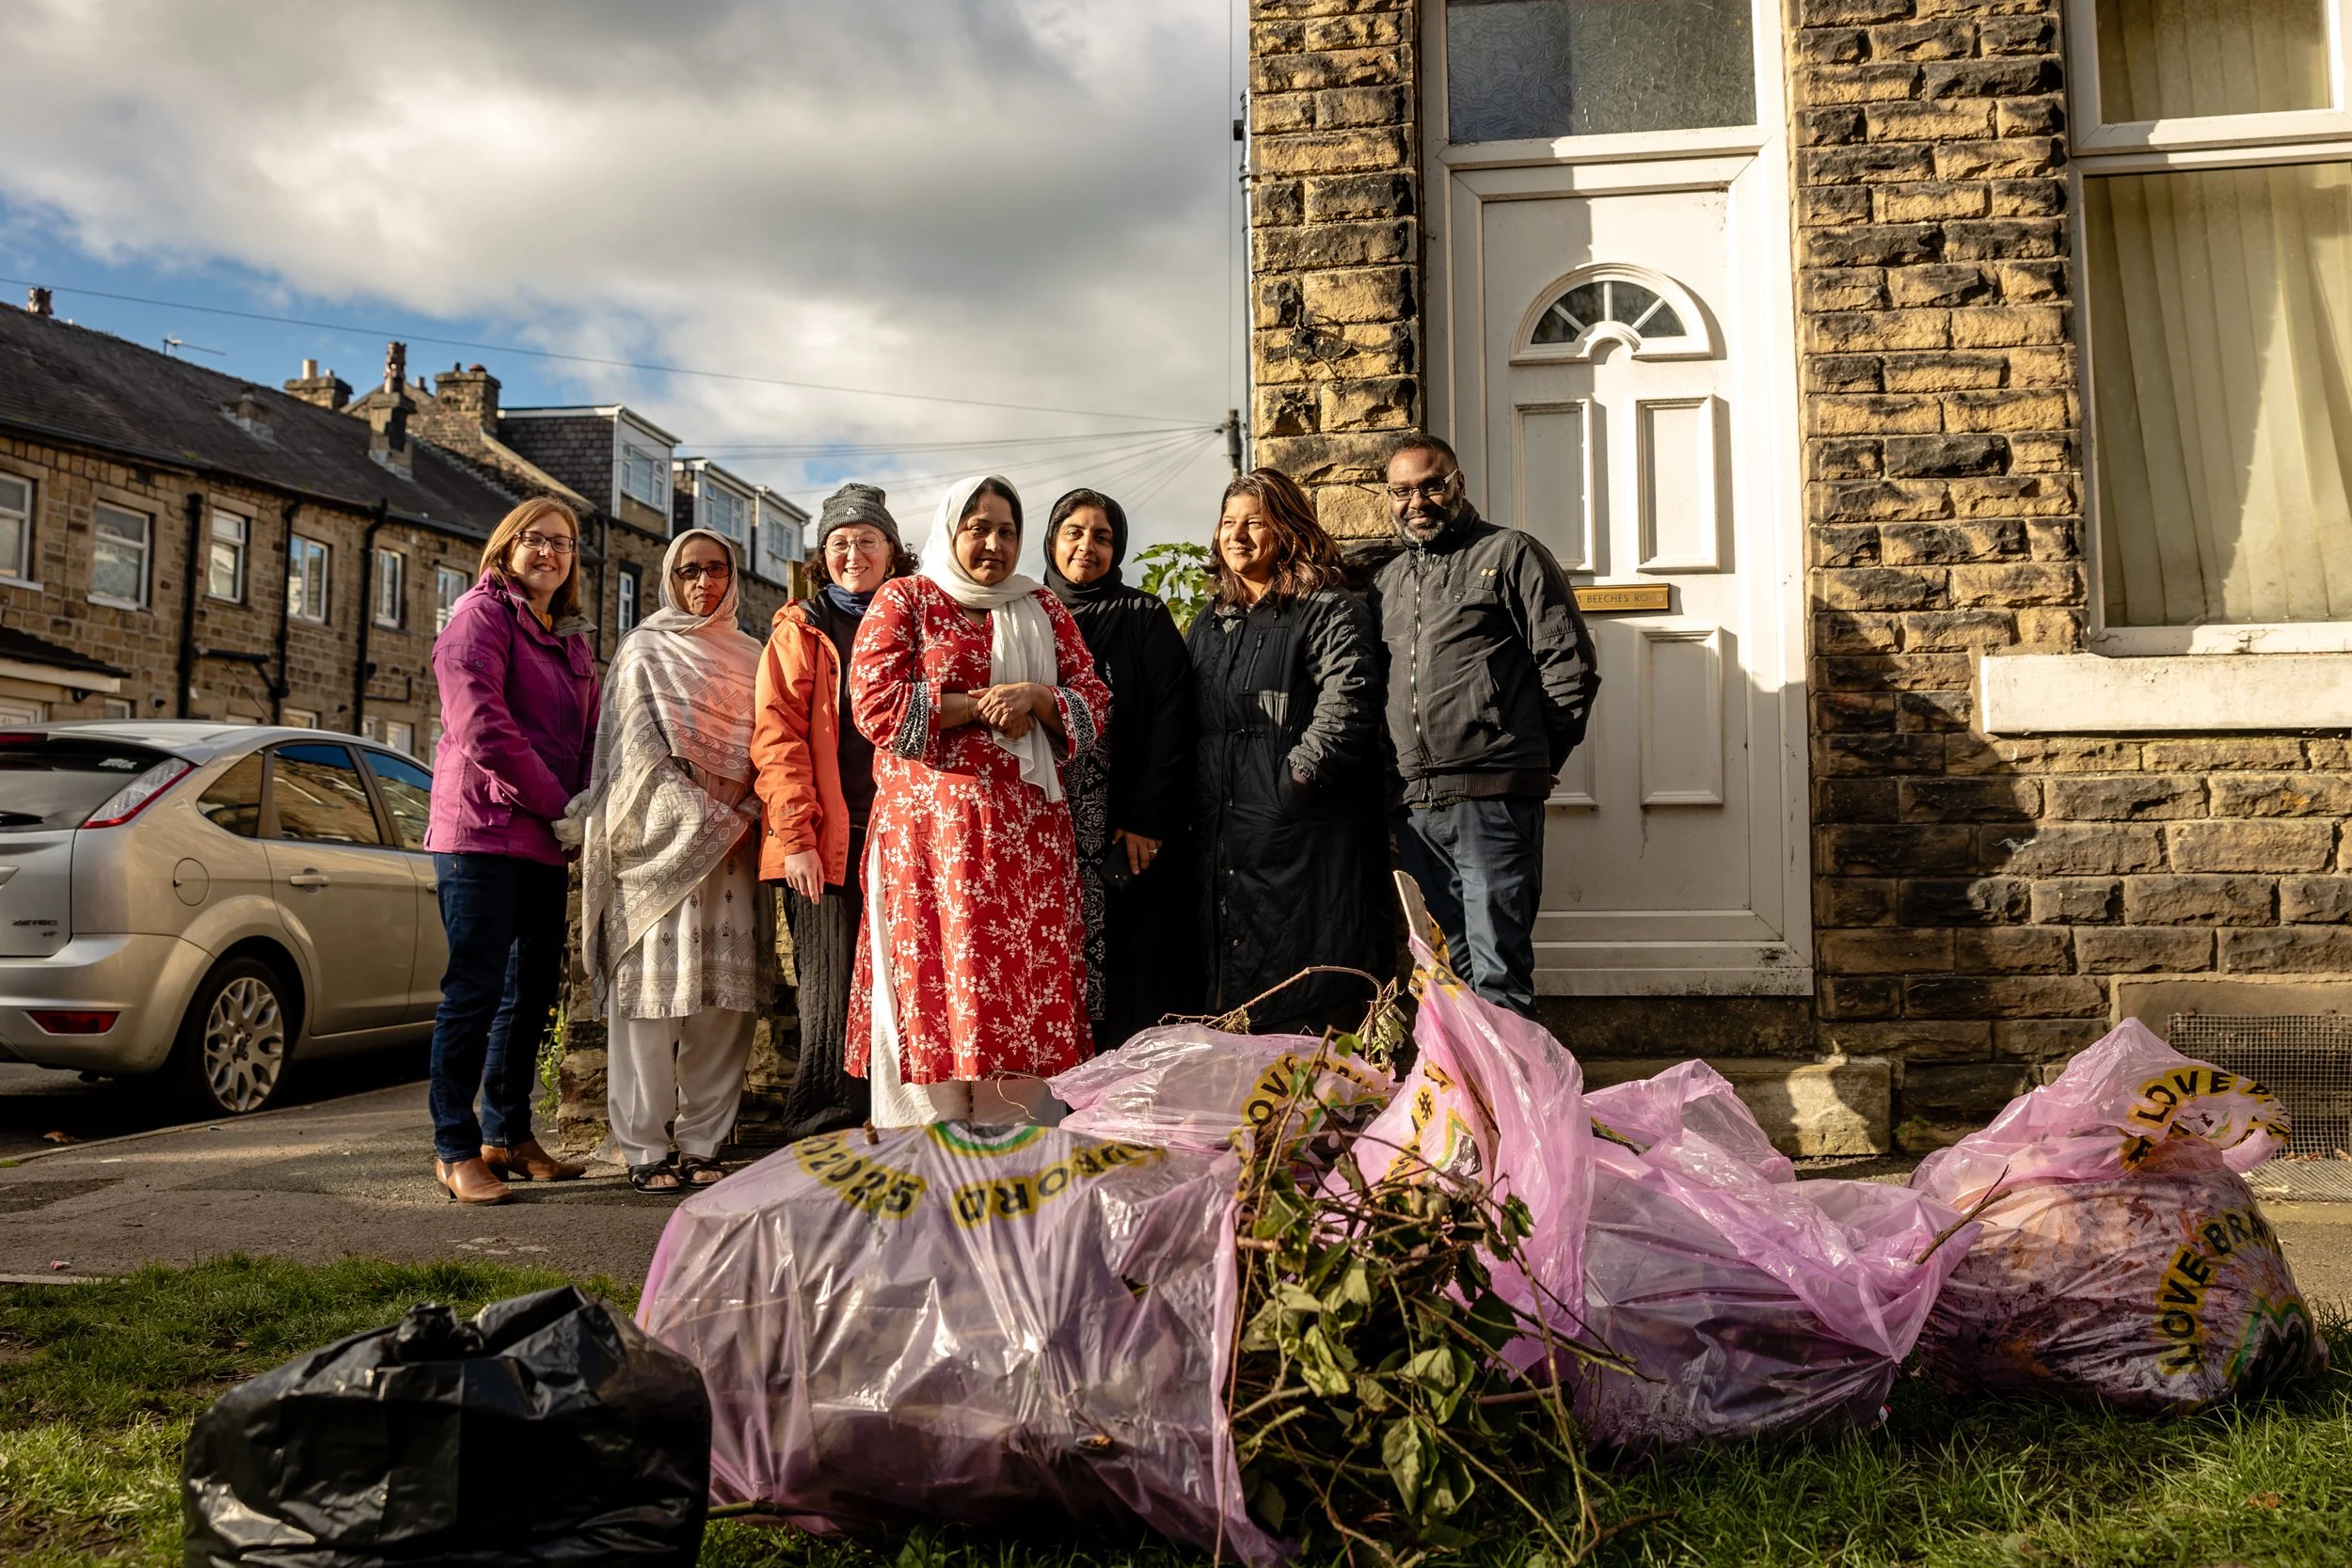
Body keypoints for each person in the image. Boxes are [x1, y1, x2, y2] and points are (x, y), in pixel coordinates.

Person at [848, 474, 1111, 1125]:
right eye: (978, 527)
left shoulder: (1042, 608)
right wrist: (977, 706)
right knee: (933, 989)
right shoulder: (905, 600)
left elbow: (1095, 700)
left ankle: (1013, 1160)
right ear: (950, 529)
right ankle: (928, 1157)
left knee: (1020, 993)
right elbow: (874, 705)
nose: (993, 544)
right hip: (927, 849)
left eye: (1007, 531)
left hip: (1026, 848)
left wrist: (1039, 698)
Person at [1368, 433, 1597, 1018]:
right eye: (1401, 491)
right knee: (1452, 974)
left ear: (1458, 484)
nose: (1417, 500)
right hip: (1416, 805)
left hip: (1493, 797)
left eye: (1431, 484)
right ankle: (1470, 1105)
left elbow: (1569, 665)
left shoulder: (1511, 553)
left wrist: (1537, 759)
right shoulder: (1386, 581)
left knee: (1500, 970)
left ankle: (1513, 1108)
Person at [570, 529, 765, 1193]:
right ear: (669, 577)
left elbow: (773, 749)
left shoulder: (753, 655)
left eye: (717, 568)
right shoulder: (644, 652)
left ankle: (705, 1141)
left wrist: (751, 813)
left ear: (733, 576)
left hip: (737, 849)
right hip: (658, 849)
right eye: (689, 571)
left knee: (722, 1004)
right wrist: (707, 819)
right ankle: (645, 1148)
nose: (703, 582)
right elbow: (632, 760)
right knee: (650, 1005)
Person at [423, 497, 598, 1206]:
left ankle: (509, 1135)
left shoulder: (570, 637)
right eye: (535, 539)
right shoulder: (480, 617)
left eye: (562, 543)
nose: (549, 552)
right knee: (474, 992)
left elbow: (587, 736)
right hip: (482, 833)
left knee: (528, 998)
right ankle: (454, 1147)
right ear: (506, 546)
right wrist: (561, 803)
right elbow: (484, 728)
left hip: (544, 841)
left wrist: (582, 803)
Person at [1190, 468, 1387, 1035]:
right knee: (1232, 965)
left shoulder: (1326, 609)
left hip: (1299, 826)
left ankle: (1306, 1099)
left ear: (1289, 529)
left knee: (1299, 969)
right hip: (1222, 822)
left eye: (1255, 522)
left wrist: (1294, 783)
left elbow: (1348, 701)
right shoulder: (1211, 621)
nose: (1238, 536)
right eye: (1228, 523)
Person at [753, 483, 914, 1140]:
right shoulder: (802, 630)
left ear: (891, 551)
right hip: (825, 834)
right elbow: (776, 736)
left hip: (904, 832)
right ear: (823, 555)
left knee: (905, 980)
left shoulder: (916, 618)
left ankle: (897, 1113)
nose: (854, 553)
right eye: (840, 542)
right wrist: (796, 836)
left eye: (867, 540)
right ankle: (825, 1124)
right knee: (832, 988)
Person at [1041, 487, 1198, 1047]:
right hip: (1042, 827)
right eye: (1074, 533)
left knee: (1130, 964)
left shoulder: (1141, 615)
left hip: (1121, 826)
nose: (1087, 547)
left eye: (1102, 537)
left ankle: (1121, 1099)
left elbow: (1172, 719)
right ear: (1052, 540)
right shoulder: (1028, 613)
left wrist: (1148, 815)